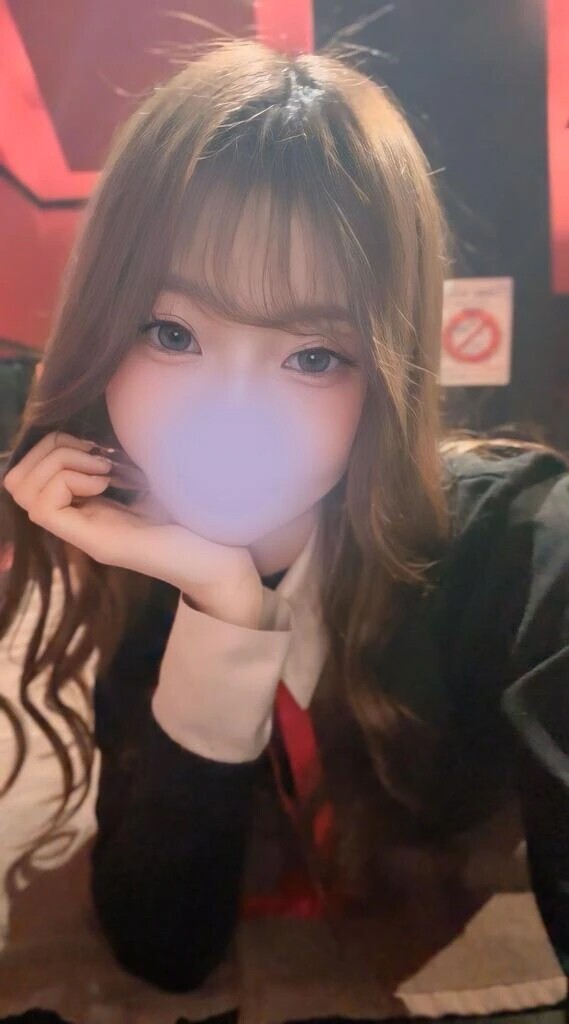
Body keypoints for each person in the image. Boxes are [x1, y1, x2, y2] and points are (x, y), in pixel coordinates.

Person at [1, 36, 568, 1022]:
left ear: (384, 371)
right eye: (171, 332)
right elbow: (161, 943)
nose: (229, 415)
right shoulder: (144, 578)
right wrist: (221, 606)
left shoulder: (514, 550)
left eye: (312, 355)